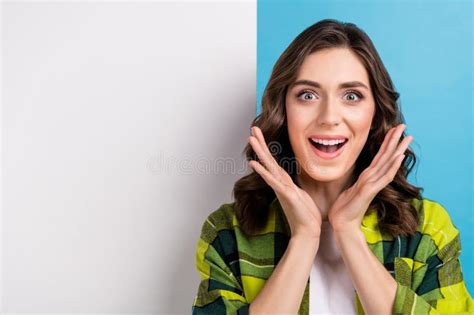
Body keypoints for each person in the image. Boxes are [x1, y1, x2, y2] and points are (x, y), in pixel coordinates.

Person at [191, 19, 474, 314]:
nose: (329, 117)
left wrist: (348, 231)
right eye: (307, 95)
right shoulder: (227, 232)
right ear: (283, 111)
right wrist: (304, 238)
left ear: (376, 114)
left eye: (351, 96)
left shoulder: (427, 229)